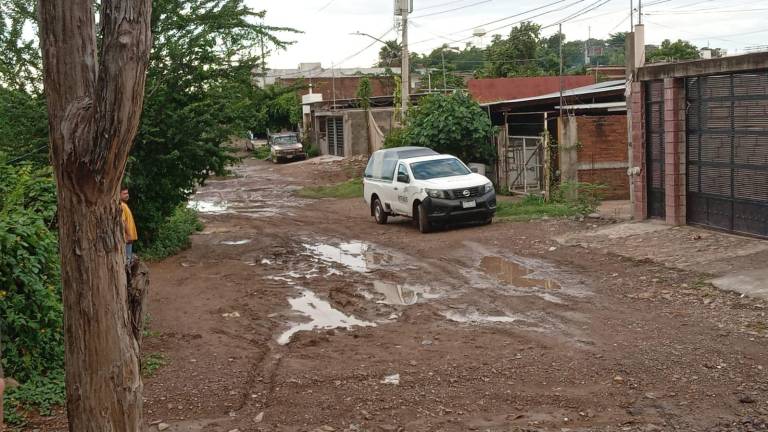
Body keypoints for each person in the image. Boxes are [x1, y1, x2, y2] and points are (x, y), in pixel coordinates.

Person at [120, 187, 138, 264]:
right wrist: (128, 234)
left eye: (127, 193)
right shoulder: (121, 205)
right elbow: (123, 221)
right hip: (127, 238)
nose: (127, 195)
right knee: (127, 262)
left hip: (128, 238)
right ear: (118, 194)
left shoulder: (124, 205)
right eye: (124, 193)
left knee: (128, 260)